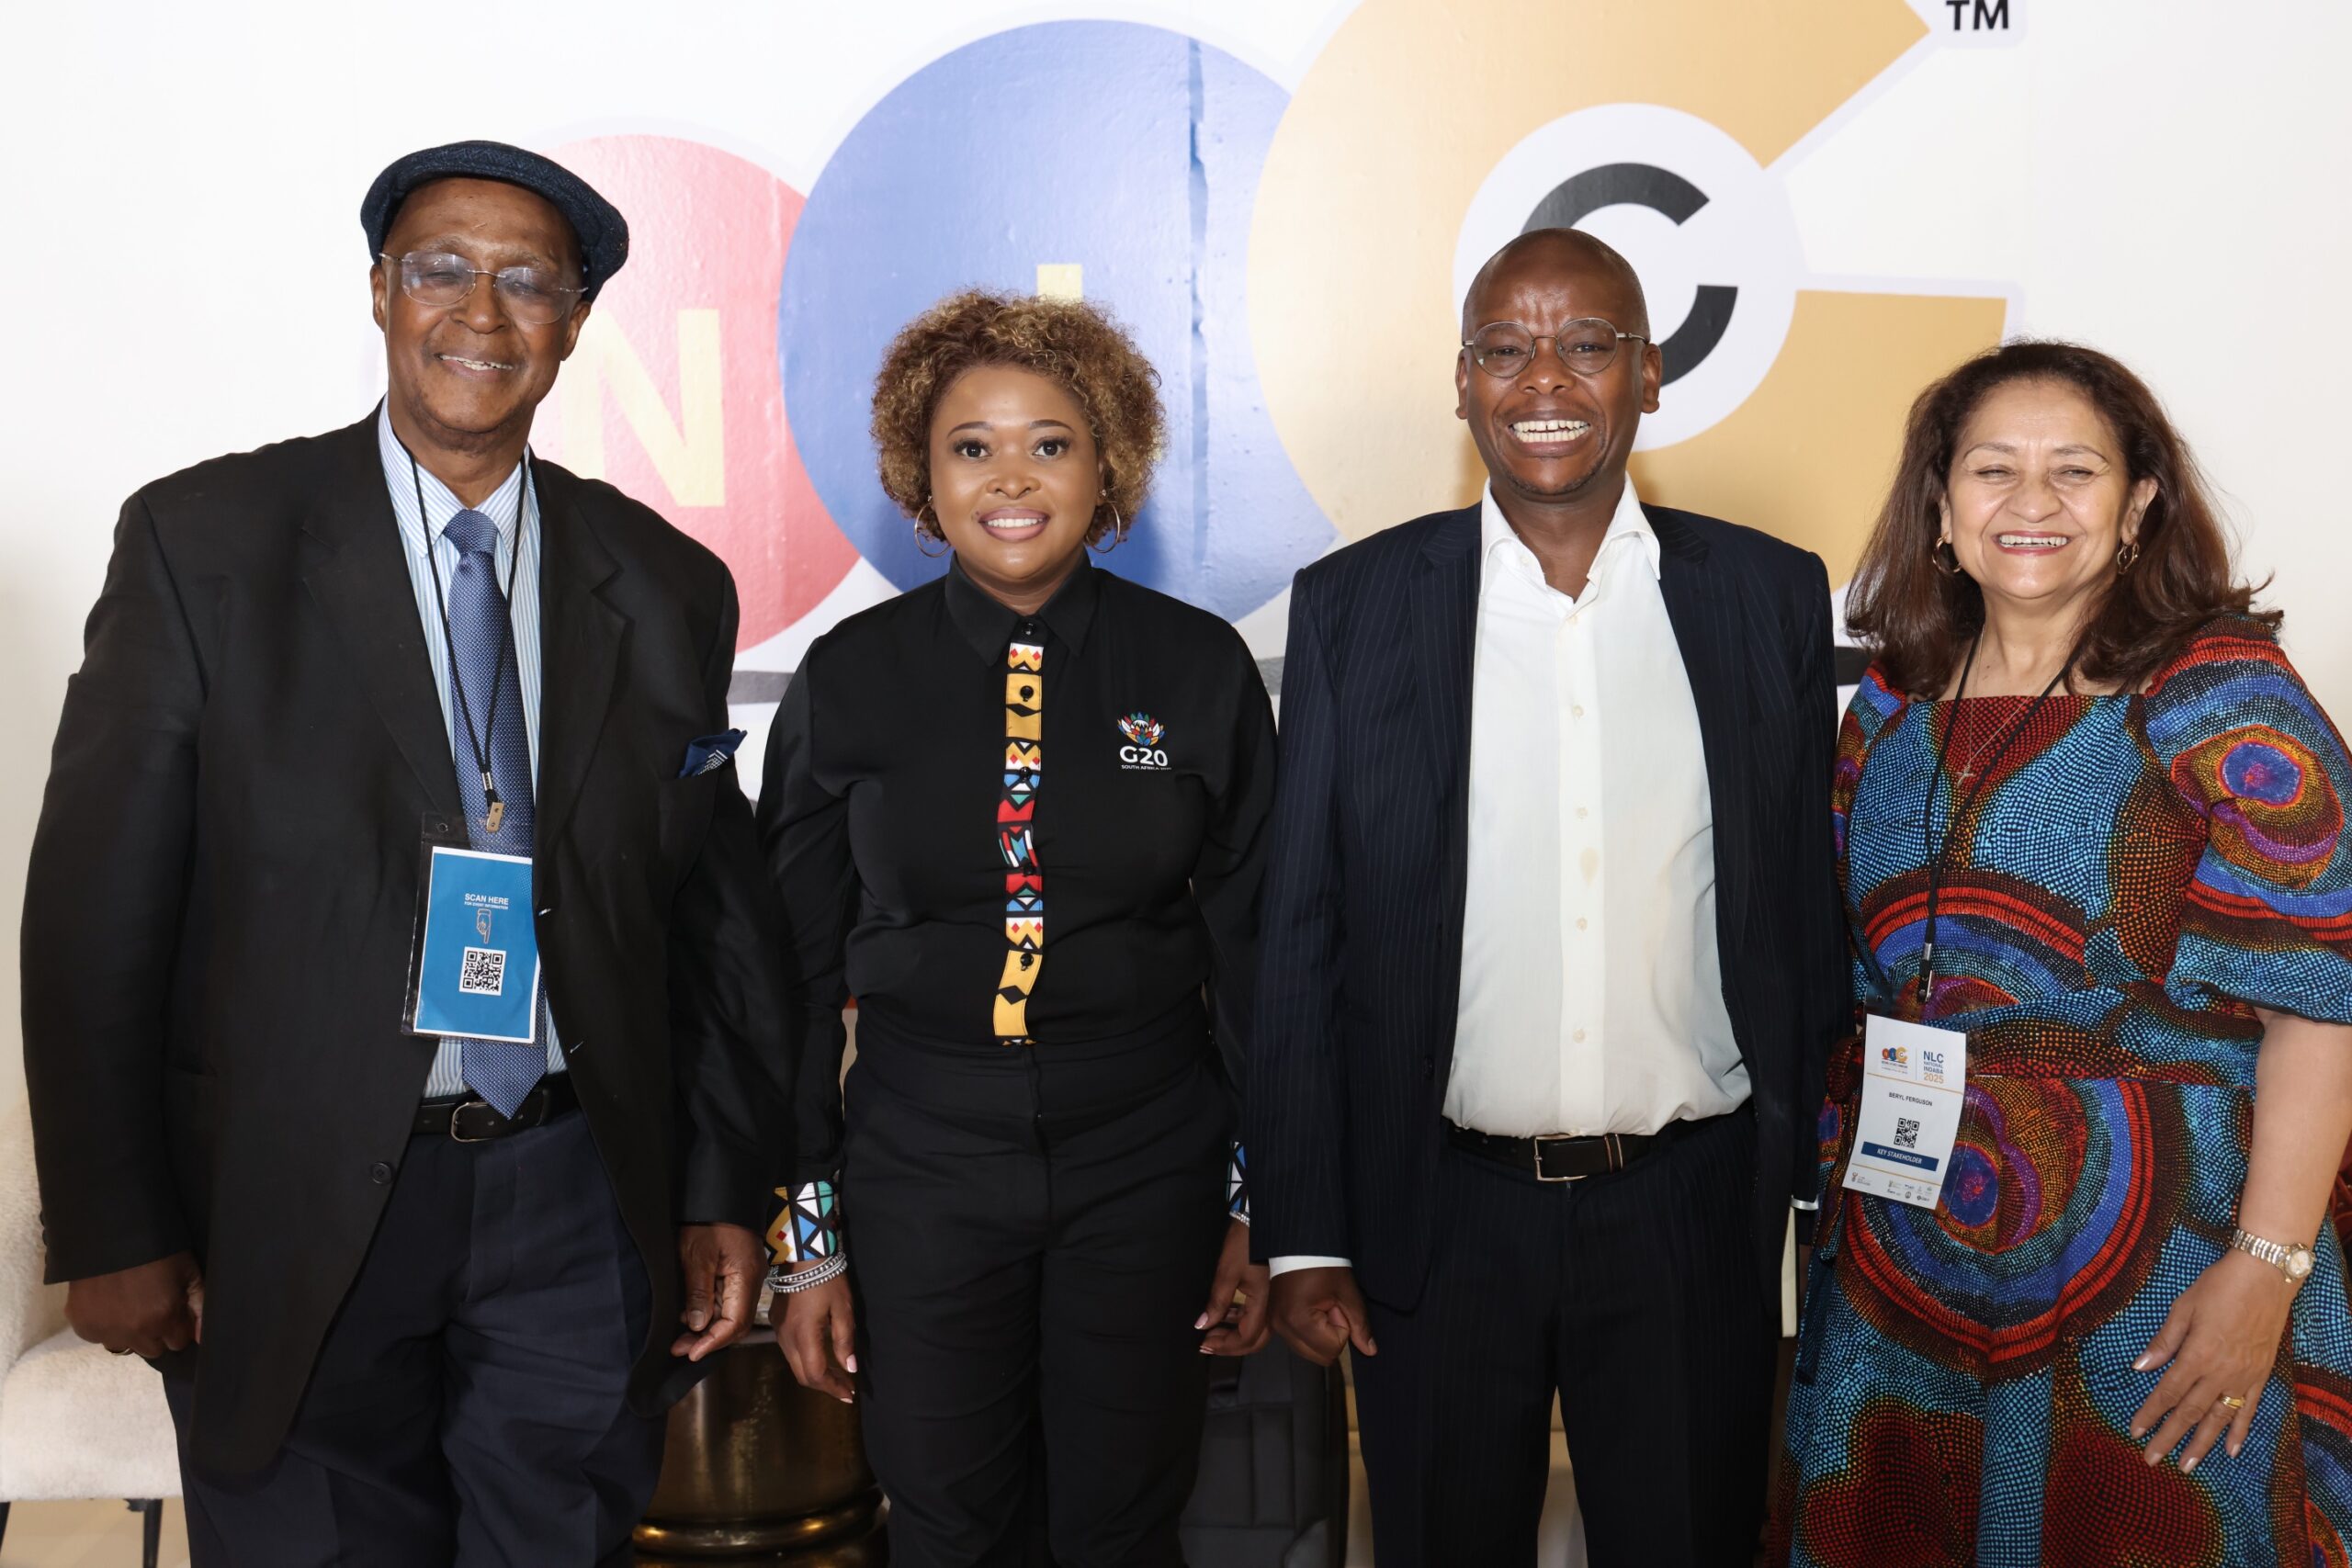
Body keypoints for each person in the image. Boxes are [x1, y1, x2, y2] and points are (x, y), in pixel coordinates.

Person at [19, 141, 794, 1565]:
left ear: (575, 323)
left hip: (576, 1190)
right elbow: (93, 906)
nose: (480, 313)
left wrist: (718, 1191)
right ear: (381, 290)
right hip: (288, 1196)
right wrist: (113, 1221)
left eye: (528, 283)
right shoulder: (205, 543)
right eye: (442, 269)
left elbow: (711, 927)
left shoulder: (666, 584)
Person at [1245, 227, 1846, 1565]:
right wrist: (1301, 1233)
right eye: (1506, 349)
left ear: (1649, 374)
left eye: (1586, 344)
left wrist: (1811, 1193)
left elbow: (1802, 911)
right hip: (1438, 1215)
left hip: (1692, 1210)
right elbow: (1301, 934)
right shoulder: (1355, 606)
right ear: (1462, 382)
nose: (1545, 380)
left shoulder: (1766, 594)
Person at [1778, 341, 2352, 1562]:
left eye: (2074, 471)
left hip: (2162, 1259)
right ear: (1940, 507)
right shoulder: (1890, 704)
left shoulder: (2220, 695)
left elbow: (2320, 1005)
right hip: (1910, 1250)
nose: (2030, 502)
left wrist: (2265, 1272)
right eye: (1993, 469)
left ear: (2138, 505)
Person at [759, 288, 1276, 1568]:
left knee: (1124, 1527)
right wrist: (809, 1248)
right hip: (922, 1158)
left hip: (1148, 1157)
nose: (1010, 477)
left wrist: (1259, 1207)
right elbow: (788, 978)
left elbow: (1262, 962)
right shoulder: (850, 677)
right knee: (947, 1527)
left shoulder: (1198, 668)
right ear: (920, 478)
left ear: (1110, 466)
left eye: (1051, 442)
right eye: (970, 446)